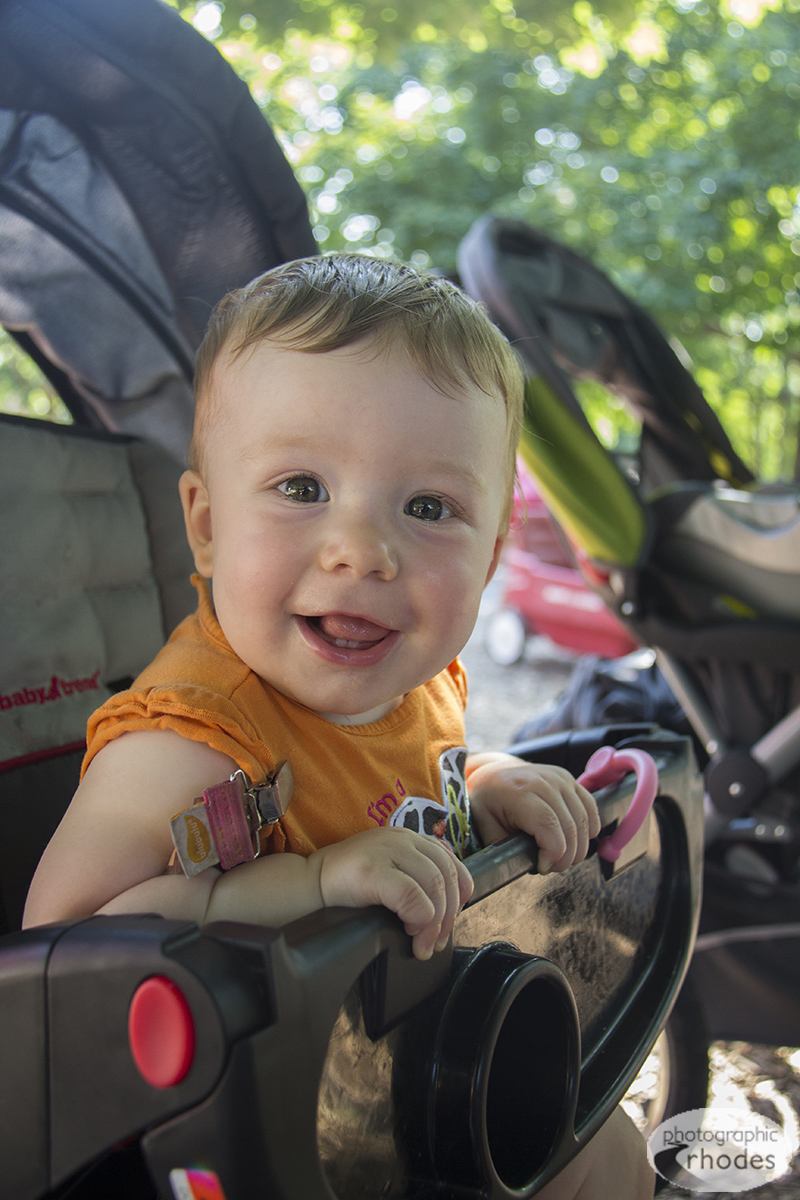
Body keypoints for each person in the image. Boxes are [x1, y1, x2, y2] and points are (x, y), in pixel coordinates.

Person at [24, 254, 652, 1198]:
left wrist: (484, 783)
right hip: (236, 1131)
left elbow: (405, 785)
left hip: (401, 1077)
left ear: (489, 560)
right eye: (301, 488)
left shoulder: (418, 682)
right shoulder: (189, 742)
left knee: (610, 1151)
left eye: (428, 507)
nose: (362, 550)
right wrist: (311, 885)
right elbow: (63, 945)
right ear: (207, 526)